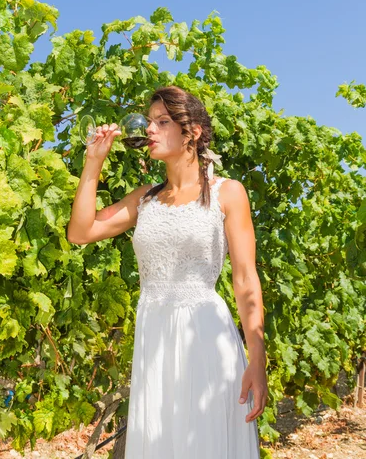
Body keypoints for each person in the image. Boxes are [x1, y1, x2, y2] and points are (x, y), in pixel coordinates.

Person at [67, 85, 268, 458]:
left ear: (191, 132)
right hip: (155, 338)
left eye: (162, 122)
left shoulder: (228, 192)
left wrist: (257, 358)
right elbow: (81, 232)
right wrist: (92, 163)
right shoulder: (145, 199)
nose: (150, 130)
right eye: (150, 122)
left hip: (207, 339)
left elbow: (245, 280)